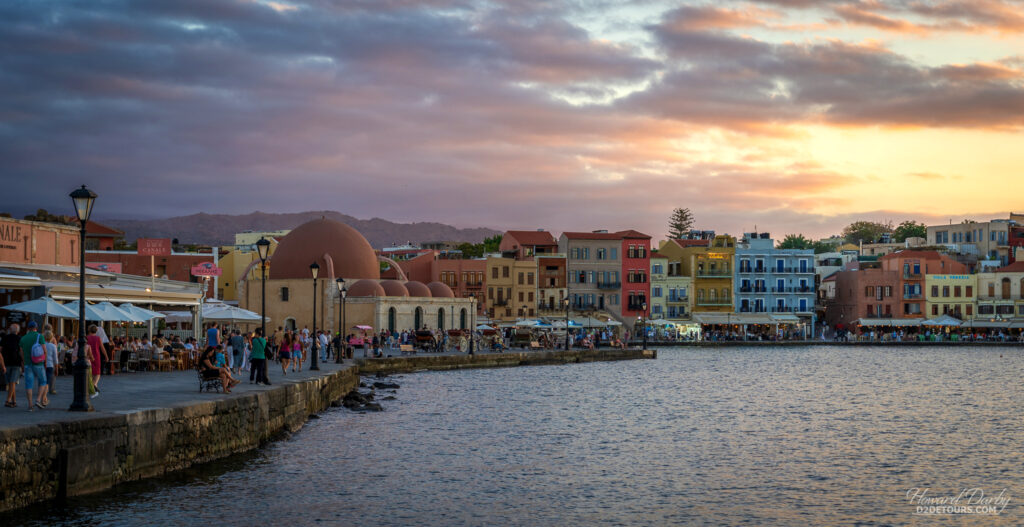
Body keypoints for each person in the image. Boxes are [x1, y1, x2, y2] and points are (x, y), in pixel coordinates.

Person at [19, 321, 47, 410]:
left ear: (28, 328)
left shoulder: (23, 338)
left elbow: (21, 353)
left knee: (29, 384)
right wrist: (45, 362)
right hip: (39, 363)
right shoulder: (40, 336)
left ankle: (30, 405)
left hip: (28, 364)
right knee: (43, 381)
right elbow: (44, 351)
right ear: (36, 327)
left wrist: (24, 362)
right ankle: (38, 400)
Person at [3, 323, 22, 408]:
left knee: (11, 382)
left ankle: (14, 401)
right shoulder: (19, 339)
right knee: (12, 382)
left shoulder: (5, 338)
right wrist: (23, 362)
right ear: (18, 331)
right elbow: (21, 351)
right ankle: (8, 400)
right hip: (16, 363)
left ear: (10, 330)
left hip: (6, 363)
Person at [86, 325, 108, 398]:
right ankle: (94, 385)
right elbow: (102, 348)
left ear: (89, 330)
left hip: (88, 356)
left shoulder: (86, 338)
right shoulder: (98, 338)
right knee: (97, 373)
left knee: (91, 372)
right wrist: (106, 356)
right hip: (97, 356)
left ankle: (92, 387)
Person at [44, 329, 58, 401]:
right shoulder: (53, 346)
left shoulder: (42, 345)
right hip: (50, 364)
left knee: (43, 379)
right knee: (50, 379)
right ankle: (49, 391)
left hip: (42, 364)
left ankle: (42, 392)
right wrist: (57, 368)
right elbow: (55, 358)